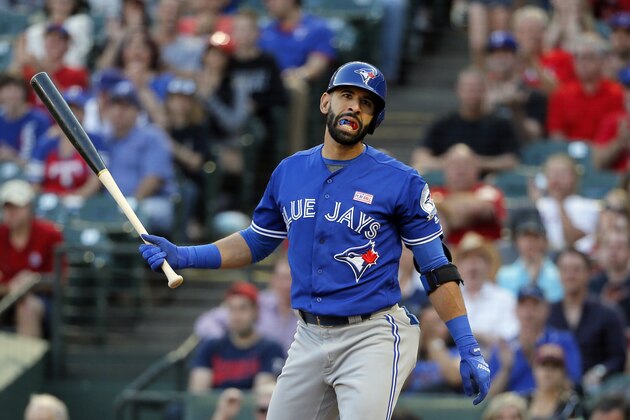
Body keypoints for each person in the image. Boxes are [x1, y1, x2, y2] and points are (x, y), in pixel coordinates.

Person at [139, 61, 492, 419]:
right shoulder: (289, 171)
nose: (355, 106)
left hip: (370, 335)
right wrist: (185, 255)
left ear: (374, 121)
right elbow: (258, 241)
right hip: (308, 334)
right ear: (326, 102)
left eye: (367, 104)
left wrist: (467, 345)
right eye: (347, 95)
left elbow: (436, 268)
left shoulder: (402, 181)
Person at [411, 67, 519, 175]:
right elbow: (420, 157)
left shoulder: (500, 124)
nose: (472, 93)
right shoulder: (443, 123)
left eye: (476, 88)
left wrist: (478, 163)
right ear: (458, 90)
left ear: (485, 90)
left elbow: (511, 161)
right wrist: (453, 163)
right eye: (468, 88)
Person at [102, 80, 177, 235]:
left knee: (142, 213)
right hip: (113, 207)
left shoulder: (152, 136)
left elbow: (153, 179)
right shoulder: (105, 140)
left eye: (126, 106)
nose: (119, 111)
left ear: (137, 111)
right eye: (115, 105)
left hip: (151, 201)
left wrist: (132, 203)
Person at [548, 248, 627, 394]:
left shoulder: (608, 313)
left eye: (576, 270)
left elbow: (618, 357)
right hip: (555, 388)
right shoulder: (548, 313)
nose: (570, 275)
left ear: (588, 273)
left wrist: (600, 371)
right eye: (565, 269)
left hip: (598, 388)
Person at [189, 281, 285, 392]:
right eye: (232, 309)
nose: (237, 316)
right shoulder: (211, 346)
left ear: (255, 311)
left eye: (243, 309)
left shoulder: (271, 348)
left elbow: (261, 397)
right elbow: (198, 395)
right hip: (216, 409)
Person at [194, 252, 298, 354]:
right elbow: (207, 321)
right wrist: (225, 344)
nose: (286, 285)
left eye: (292, 279)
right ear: (272, 279)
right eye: (282, 278)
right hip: (257, 367)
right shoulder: (258, 302)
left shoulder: (310, 310)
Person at [487, 284, 582, 397]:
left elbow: (573, 385)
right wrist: (506, 369)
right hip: (512, 410)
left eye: (534, 305)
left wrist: (534, 356)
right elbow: (488, 396)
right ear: (516, 310)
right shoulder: (504, 347)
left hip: (551, 408)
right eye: (524, 305)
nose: (528, 312)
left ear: (546, 310)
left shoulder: (562, 341)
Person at [0, 179, 64, 338]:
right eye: (7, 207)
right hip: (5, 298)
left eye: (17, 207)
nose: (11, 212)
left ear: (30, 207)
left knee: (26, 306)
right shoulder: (1, 234)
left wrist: (34, 281)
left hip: (41, 298)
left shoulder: (50, 234)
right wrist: (10, 287)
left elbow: (61, 278)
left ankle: (27, 362)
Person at [547, 32, 625, 142]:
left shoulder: (617, 93)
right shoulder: (561, 94)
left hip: (609, 151)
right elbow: (556, 133)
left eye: (589, 57)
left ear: (602, 61)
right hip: (571, 153)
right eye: (577, 57)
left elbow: (621, 132)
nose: (582, 63)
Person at [429, 143, 507, 246]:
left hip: (485, 253)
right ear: (445, 169)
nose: (461, 170)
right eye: (455, 165)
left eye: (466, 164)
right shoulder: (432, 193)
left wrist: (442, 208)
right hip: (445, 255)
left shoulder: (489, 191)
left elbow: (478, 209)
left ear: (477, 168)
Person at [455, 232, 519, 350]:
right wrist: (481, 336)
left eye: (479, 258)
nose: (472, 264)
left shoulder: (504, 298)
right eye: (466, 258)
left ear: (489, 265)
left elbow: (508, 336)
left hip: (494, 356)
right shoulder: (451, 298)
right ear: (458, 267)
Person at [531, 153, 601, 254]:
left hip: (577, 258)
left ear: (574, 177)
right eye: (552, 174)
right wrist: (535, 205)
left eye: (562, 174)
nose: (557, 179)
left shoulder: (588, 206)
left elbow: (571, 240)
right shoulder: (539, 204)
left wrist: (560, 203)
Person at [496, 217, 564, 303]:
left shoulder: (558, 274)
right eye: (525, 238)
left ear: (545, 242)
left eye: (536, 237)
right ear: (516, 242)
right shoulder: (504, 274)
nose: (530, 242)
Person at [0, 74, 51, 166]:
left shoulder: (39, 119)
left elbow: (43, 159)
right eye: (7, 89)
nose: (12, 95)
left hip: (28, 176)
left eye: (16, 90)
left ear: (25, 92)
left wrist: (12, 157)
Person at [524, 343, 583, 420]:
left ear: (563, 372)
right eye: (544, 365)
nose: (549, 370)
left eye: (555, 365)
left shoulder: (571, 404)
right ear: (534, 369)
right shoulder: (523, 400)